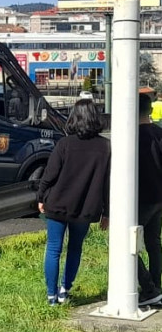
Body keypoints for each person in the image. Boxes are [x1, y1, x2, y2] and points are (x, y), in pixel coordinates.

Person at [36, 97, 110, 306]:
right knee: (75, 248)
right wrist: (107, 212)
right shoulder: (106, 147)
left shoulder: (64, 144)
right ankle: (64, 290)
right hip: (86, 207)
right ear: (95, 118)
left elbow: (50, 175)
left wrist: (41, 197)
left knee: (53, 249)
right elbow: (108, 182)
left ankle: (51, 297)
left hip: (58, 203)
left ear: (73, 118)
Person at [137, 91, 162, 306]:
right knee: (154, 243)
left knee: (126, 244)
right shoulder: (158, 132)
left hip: (141, 198)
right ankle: (156, 285)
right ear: (151, 110)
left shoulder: (132, 137)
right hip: (158, 197)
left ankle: (148, 287)